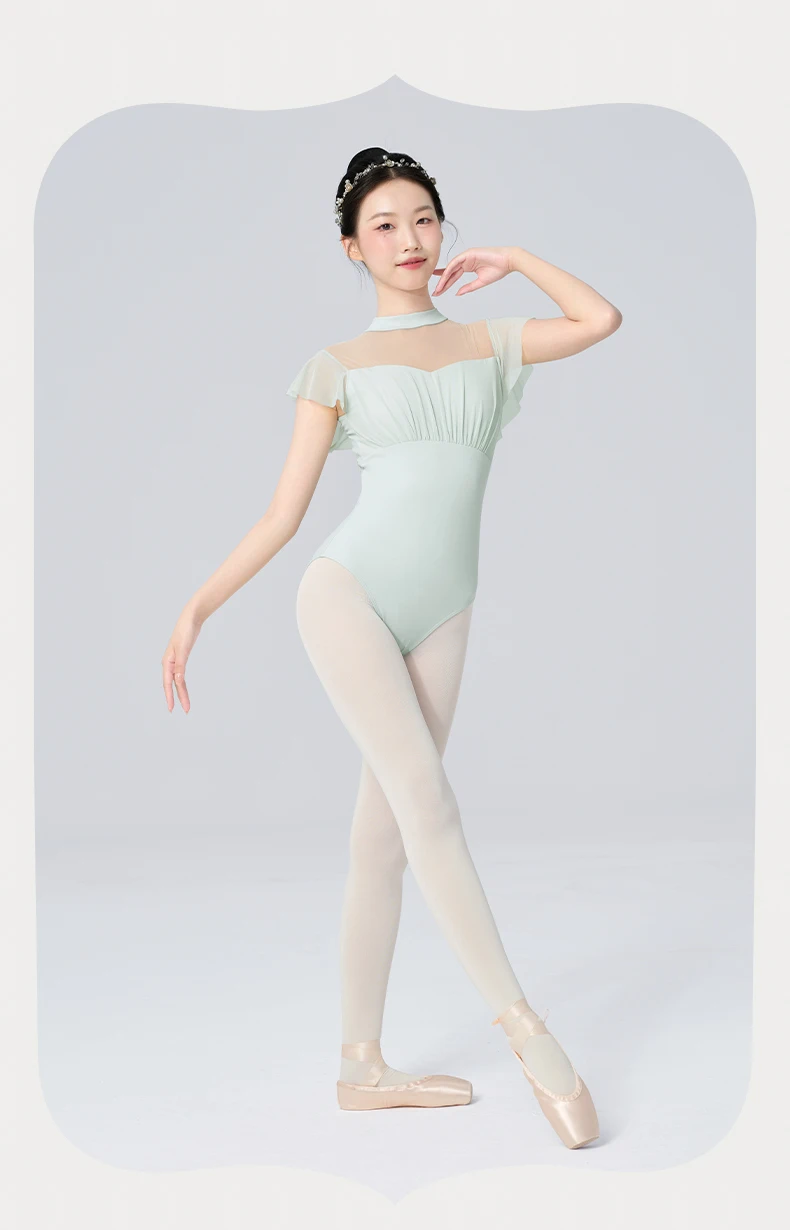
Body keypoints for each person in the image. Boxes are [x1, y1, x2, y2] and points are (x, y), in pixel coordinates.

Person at [161, 146, 622, 1148]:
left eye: (424, 218)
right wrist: (199, 606)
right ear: (351, 248)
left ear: (443, 230)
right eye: (384, 225)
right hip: (349, 595)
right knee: (429, 805)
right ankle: (525, 1026)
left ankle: (359, 1066)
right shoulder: (334, 367)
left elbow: (599, 320)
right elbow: (283, 517)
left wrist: (518, 258)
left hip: (445, 610)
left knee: (382, 841)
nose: (409, 239)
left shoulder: (492, 341)